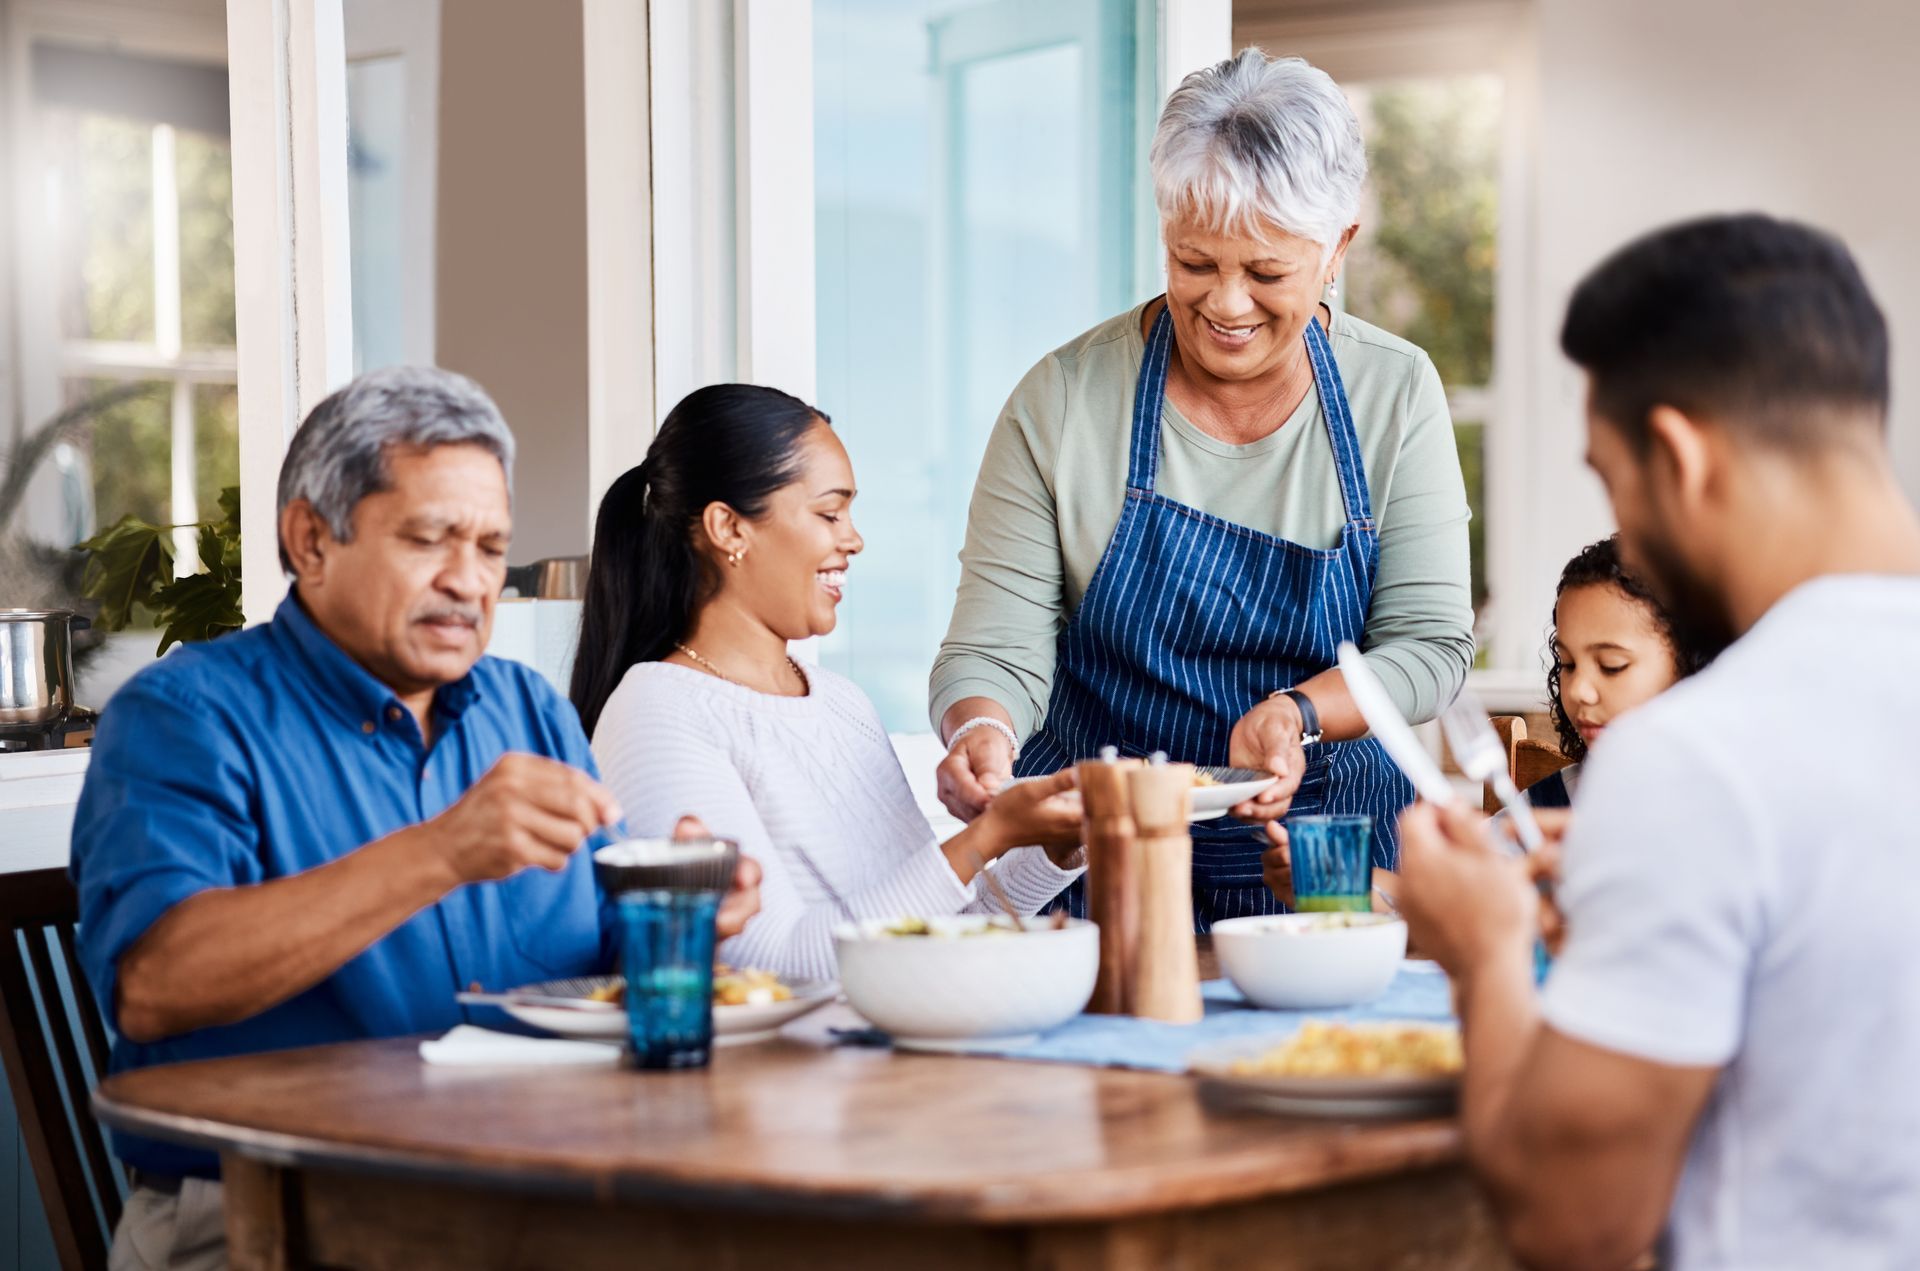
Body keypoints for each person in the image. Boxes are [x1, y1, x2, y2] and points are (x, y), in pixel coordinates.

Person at [70, 367, 761, 1270]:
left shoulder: (529, 710)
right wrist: (441, 851)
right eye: (431, 539)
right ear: (310, 540)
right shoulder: (185, 716)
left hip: (531, 1192)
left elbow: (593, 968)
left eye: (489, 546)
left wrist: (678, 912)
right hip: (271, 1215)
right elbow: (156, 983)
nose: (469, 581)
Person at [1395, 214, 1920, 1269]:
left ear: (1677, 455)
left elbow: (1571, 1222)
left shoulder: (1695, 756)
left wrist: (1487, 948)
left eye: (1610, 478)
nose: (1624, 529)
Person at [931, 49, 1474, 928]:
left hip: (1330, 872)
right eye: (1193, 262)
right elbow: (993, 650)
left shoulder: (1395, 391)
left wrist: (1298, 713)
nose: (1226, 304)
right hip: (1099, 874)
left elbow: (1430, 643)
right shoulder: (1065, 401)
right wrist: (978, 733)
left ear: (1338, 247)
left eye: (1266, 273)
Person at [573, 385, 1085, 983]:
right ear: (729, 528)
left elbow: (945, 930)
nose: (854, 538)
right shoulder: (657, 709)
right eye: (828, 513)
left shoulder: (840, 702)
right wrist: (990, 834)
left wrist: (1057, 841)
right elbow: (773, 964)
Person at [1531, 534, 1711, 808]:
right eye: (1568, 664)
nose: (1578, 690)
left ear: (1691, 666)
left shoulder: (1737, 812)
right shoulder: (1541, 809)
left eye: (1611, 666)